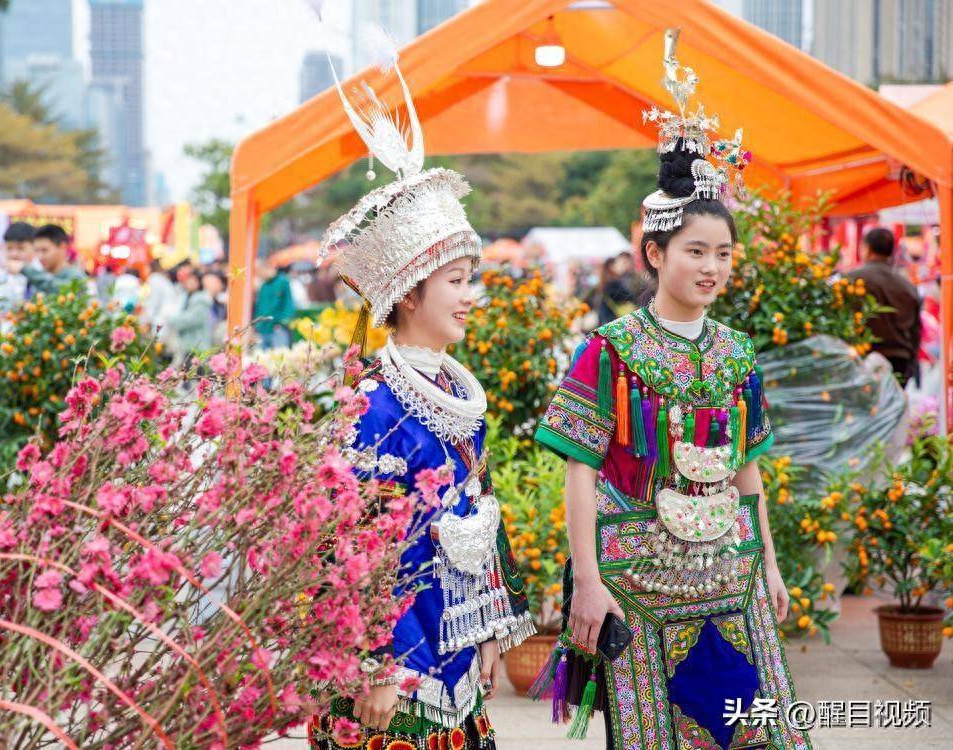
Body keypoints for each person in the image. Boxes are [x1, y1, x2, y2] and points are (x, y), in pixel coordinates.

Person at [533, 31, 810, 750]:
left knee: (751, 733)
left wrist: (770, 565)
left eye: (722, 253)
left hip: (731, 573)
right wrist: (586, 582)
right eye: (695, 251)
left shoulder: (737, 352)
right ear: (653, 254)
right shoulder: (609, 350)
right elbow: (580, 471)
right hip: (636, 582)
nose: (711, 267)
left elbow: (747, 467)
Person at [306, 54, 533, 750]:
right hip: (394, 670)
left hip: (458, 653)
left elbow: (480, 512)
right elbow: (351, 548)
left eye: (472, 280)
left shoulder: (456, 394)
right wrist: (378, 659)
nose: (472, 296)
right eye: (458, 281)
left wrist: (493, 626)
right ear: (409, 293)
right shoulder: (372, 406)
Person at [846, 227, 922, 386]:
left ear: (867, 249)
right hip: (900, 360)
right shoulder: (907, 286)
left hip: (863, 358)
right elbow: (916, 331)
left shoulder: (852, 280)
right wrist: (912, 363)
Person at [7, 224, 87, 297]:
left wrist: (25, 269)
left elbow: (61, 290)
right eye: (37, 251)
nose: (40, 256)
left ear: (62, 247)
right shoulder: (40, 276)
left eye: (44, 250)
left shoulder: (76, 276)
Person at [166, 267, 217, 360]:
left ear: (199, 283)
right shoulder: (186, 297)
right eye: (188, 281)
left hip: (197, 347)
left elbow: (189, 320)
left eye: (192, 281)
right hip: (188, 347)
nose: (189, 284)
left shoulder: (201, 300)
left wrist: (172, 319)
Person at [252, 263, 296, 348]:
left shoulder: (283, 281)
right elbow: (259, 307)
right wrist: (256, 324)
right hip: (263, 328)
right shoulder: (264, 285)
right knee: (261, 357)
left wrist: (282, 321)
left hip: (278, 327)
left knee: (280, 354)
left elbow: (288, 304)